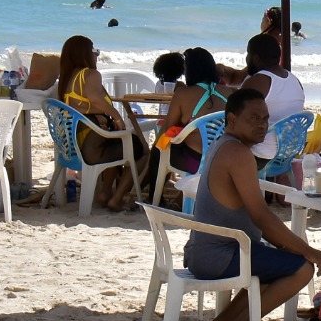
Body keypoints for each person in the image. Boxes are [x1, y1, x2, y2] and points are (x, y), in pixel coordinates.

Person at [183, 89, 321, 321]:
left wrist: (288, 247)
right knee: (302, 269)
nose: (262, 125)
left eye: (265, 118)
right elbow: (261, 215)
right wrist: (308, 251)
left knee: (278, 262)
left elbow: (259, 218)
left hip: (204, 251)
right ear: (232, 119)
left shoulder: (224, 145)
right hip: (218, 255)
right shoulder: (237, 153)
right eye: (254, 118)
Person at [57, 35, 146, 211]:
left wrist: (102, 117)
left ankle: (105, 193)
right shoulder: (90, 74)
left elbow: (84, 105)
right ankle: (117, 197)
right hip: (92, 150)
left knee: (115, 140)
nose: (96, 54)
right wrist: (116, 116)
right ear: (84, 53)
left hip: (74, 147)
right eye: (94, 51)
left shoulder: (68, 78)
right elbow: (95, 98)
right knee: (142, 150)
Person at [149, 48, 228, 192]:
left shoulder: (183, 94)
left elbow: (168, 130)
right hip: (225, 159)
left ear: (191, 70)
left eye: (185, 68)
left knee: (157, 150)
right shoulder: (231, 92)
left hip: (196, 162)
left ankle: (155, 198)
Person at [239, 34, 305, 165]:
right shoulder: (294, 80)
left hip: (263, 154)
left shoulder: (259, 81)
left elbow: (237, 117)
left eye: (248, 54)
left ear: (255, 58)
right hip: (290, 151)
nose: (246, 58)